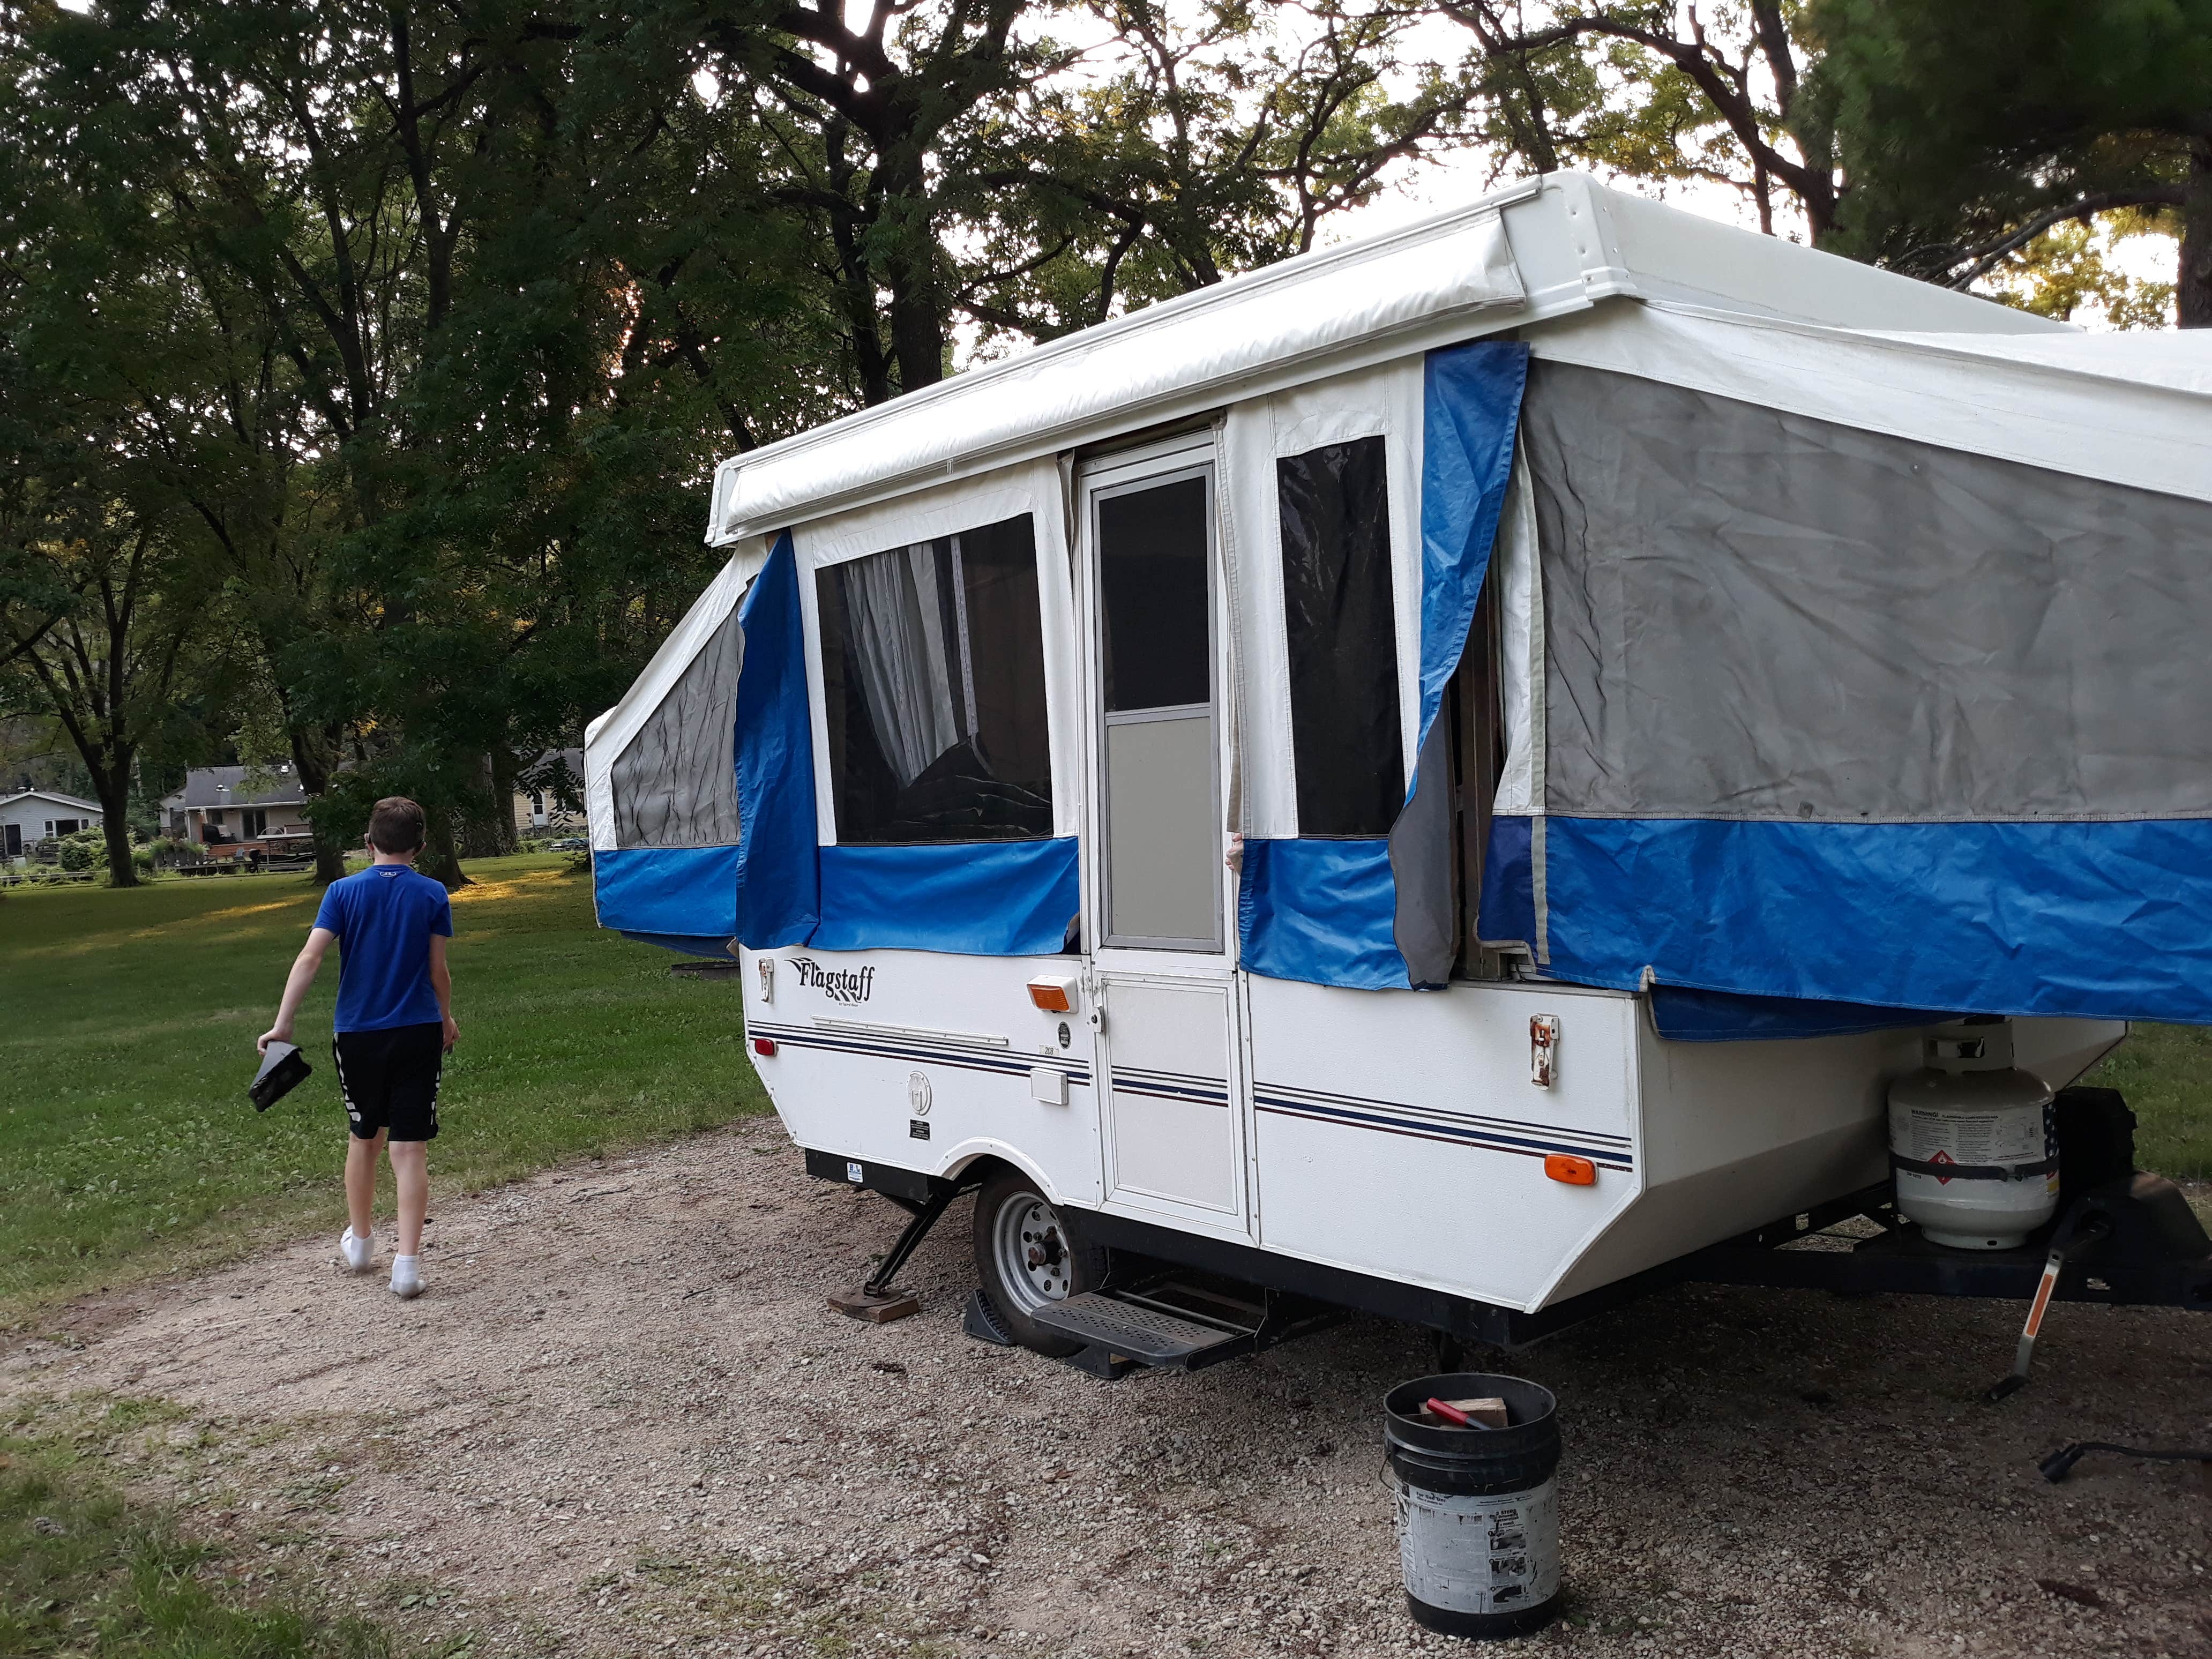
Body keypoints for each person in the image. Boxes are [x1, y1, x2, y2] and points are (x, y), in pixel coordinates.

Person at [259, 796, 458, 1298]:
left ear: (368, 843)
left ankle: (362, 1243)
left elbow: (310, 958)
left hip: (357, 1035)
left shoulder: (342, 891)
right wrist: (446, 1018)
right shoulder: (433, 892)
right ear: (422, 846)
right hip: (417, 1030)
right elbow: (438, 971)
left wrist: (283, 1025)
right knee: (409, 1149)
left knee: (363, 1137)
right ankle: (407, 1267)